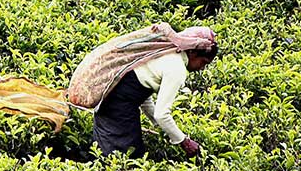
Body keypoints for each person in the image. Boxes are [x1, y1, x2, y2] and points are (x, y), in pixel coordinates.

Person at [66, 22, 218, 159]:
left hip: (111, 101)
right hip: (118, 106)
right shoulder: (177, 68)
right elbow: (162, 114)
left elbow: (142, 95)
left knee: (114, 153)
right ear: (192, 53)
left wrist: (162, 129)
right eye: (203, 62)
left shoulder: (165, 53)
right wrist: (184, 141)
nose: (201, 68)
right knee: (124, 157)